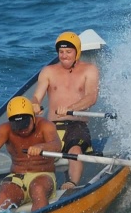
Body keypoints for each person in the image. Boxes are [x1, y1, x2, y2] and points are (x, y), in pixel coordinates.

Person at [31, 31, 99, 190]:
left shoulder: (89, 70)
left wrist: (70, 109)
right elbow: (36, 96)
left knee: (74, 148)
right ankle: (38, 185)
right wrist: (34, 104)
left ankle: (72, 183)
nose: (64, 56)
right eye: (61, 52)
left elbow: (91, 97)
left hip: (76, 124)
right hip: (51, 126)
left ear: (77, 52)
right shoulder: (48, 71)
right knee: (36, 151)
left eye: (68, 51)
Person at [0, 96, 63, 212]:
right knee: (3, 195)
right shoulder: (5, 129)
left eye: (25, 124)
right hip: (17, 176)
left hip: (43, 174)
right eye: (17, 126)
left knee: (38, 189)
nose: (22, 130)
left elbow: (57, 145)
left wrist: (41, 147)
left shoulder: (45, 125)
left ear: (33, 117)